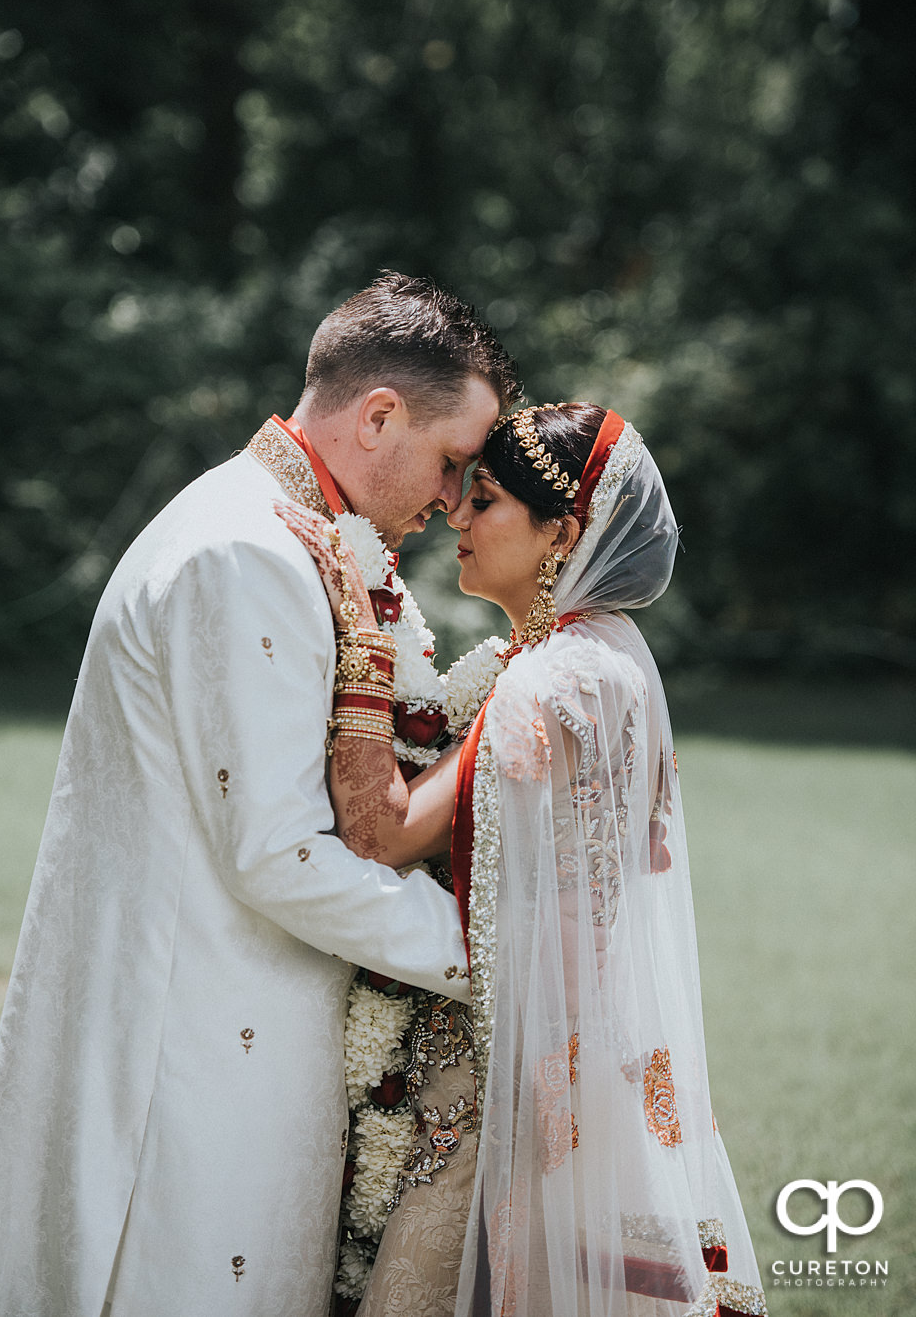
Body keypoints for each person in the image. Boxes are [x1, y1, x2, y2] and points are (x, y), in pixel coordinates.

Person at [0, 272, 520, 1317]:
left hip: (245, 1025)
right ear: (378, 412)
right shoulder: (242, 551)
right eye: (447, 463)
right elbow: (277, 852)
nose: (447, 501)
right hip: (194, 1048)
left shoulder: (292, 537)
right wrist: (497, 952)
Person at [282, 402, 768, 1317]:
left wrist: (359, 629)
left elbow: (382, 834)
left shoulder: (547, 684)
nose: (457, 517)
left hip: (508, 1073)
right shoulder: (607, 657)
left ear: (565, 533)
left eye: (488, 500)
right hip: (589, 1057)